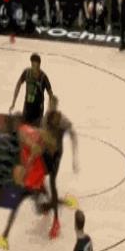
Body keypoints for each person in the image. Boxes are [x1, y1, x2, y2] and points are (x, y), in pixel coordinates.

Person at [0, 124, 53, 250]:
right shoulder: (27, 132)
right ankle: (4, 236)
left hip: (33, 179)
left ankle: (4, 236)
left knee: (36, 208)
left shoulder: (31, 138)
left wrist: (25, 171)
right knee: (37, 205)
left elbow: (33, 151)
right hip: (36, 176)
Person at [42, 96, 79, 239]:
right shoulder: (45, 117)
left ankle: (56, 221)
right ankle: (50, 202)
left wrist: (74, 158)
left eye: (52, 105)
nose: (50, 107)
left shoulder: (61, 120)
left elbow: (73, 134)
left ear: (56, 106)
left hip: (56, 154)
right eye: (49, 105)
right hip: (47, 152)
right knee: (39, 178)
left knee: (52, 182)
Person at [9, 53, 53, 124]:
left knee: (35, 128)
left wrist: (49, 110)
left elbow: (50, 94)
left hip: (38, 108)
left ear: (39, 65)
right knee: (25, 126)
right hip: (27, 106)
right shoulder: (26, 73)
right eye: (32, 65)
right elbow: (18, 85)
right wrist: (13, 102)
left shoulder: (43, 77)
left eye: (36, 66)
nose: (34, 68)